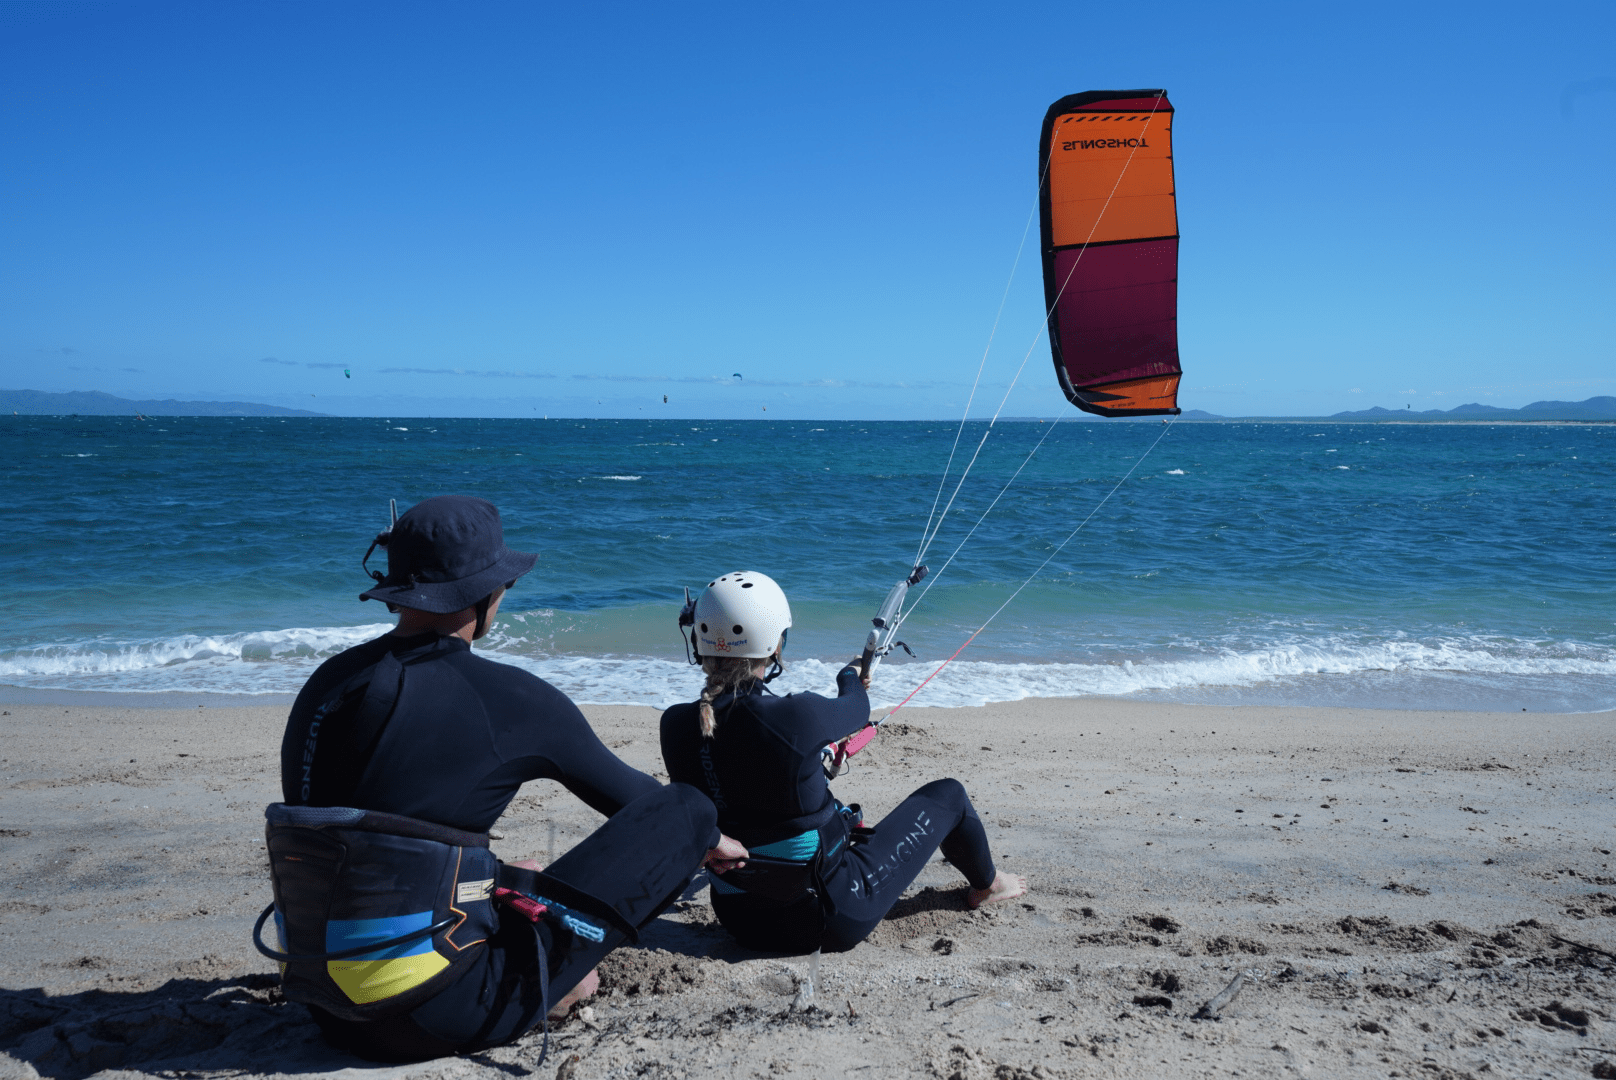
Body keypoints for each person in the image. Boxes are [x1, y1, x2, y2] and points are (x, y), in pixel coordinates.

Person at [265, 496, 745, 1063]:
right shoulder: (514, 699)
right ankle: (553, 986)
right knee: (688, 808)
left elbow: (378, 828)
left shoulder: (328, 682)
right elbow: (642, 806)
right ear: (486, 593)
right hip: (435, 1009)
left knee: (501, 873)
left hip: (326, 1005)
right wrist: (713, 838)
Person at [659, 570, 1024, 955]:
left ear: (699, 643)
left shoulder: (675, 725)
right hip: (827, 919)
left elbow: (744, 780)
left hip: (739, 919)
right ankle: (990, 885)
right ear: (776, 644)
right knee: (949, 796)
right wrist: (850, 675)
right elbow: (857, 707)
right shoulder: (796, 717)